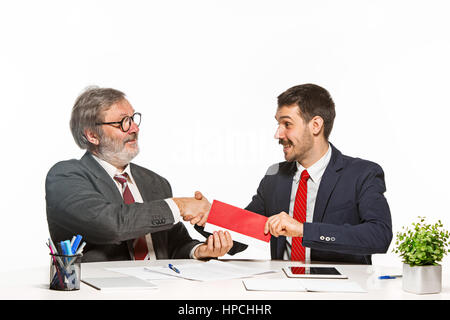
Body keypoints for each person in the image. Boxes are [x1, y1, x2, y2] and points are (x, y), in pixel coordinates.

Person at [46, 86, 233, 262]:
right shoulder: (66, 176)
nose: (135, 128)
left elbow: (174, 245)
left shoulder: (155, 183)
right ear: (92, 136)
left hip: (161, 289)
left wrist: (197, 251)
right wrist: (180, 205)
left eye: (133, 119)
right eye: (123, 122)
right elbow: (111, 224)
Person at [246, 83, 392, 264]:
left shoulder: (362, 174)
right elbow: (244, 229)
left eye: (287, 124)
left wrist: (303, 230)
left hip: (338, 289)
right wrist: (207, 215)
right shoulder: (274, 176)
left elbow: (379, 235)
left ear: (315, 125)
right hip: (281, 288)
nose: (278, 134)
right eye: (278, 124)